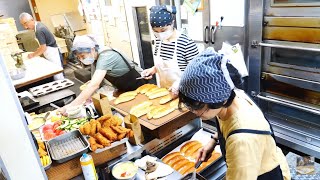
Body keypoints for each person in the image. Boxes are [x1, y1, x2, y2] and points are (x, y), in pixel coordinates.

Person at [178, 48, 291, 180]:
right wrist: (214, 141)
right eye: (189, 105)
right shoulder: (233, 97)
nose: (194, 112)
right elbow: (228, 123)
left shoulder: (241, 142)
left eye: (197, 106)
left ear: (219, 100)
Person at [58, 35, 147, 113]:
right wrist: (87, 97)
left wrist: (70, 106)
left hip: (138, 83)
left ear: (92, 49)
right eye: (79, 57)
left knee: (144, 109)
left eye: (82, 56)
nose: (81, 59)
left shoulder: (105, 57)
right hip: (124, 87)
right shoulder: (95, 57)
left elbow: (94, 85)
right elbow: (94, 81)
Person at [141, 5, 199, 96]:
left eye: (163, 29)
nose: (160, 34)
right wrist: (153, 70)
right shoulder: (158, 41)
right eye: (155, 31)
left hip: (185, 93)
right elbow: (162, 65)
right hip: (164, 92)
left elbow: (197, 71)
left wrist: (180, 81)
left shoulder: (186, 42)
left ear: (172, 23)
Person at [19, 12, 64, 80]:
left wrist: (33, 55)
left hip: (52, 53)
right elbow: (43, 45)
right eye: (23, 25)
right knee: (56, 72)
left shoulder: (39, 30)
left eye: (26, 23)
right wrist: (36, 51)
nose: (25, 27)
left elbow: (43, 48)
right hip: (51, 51)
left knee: (58, 74)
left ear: (32, 19)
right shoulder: (38, 24)